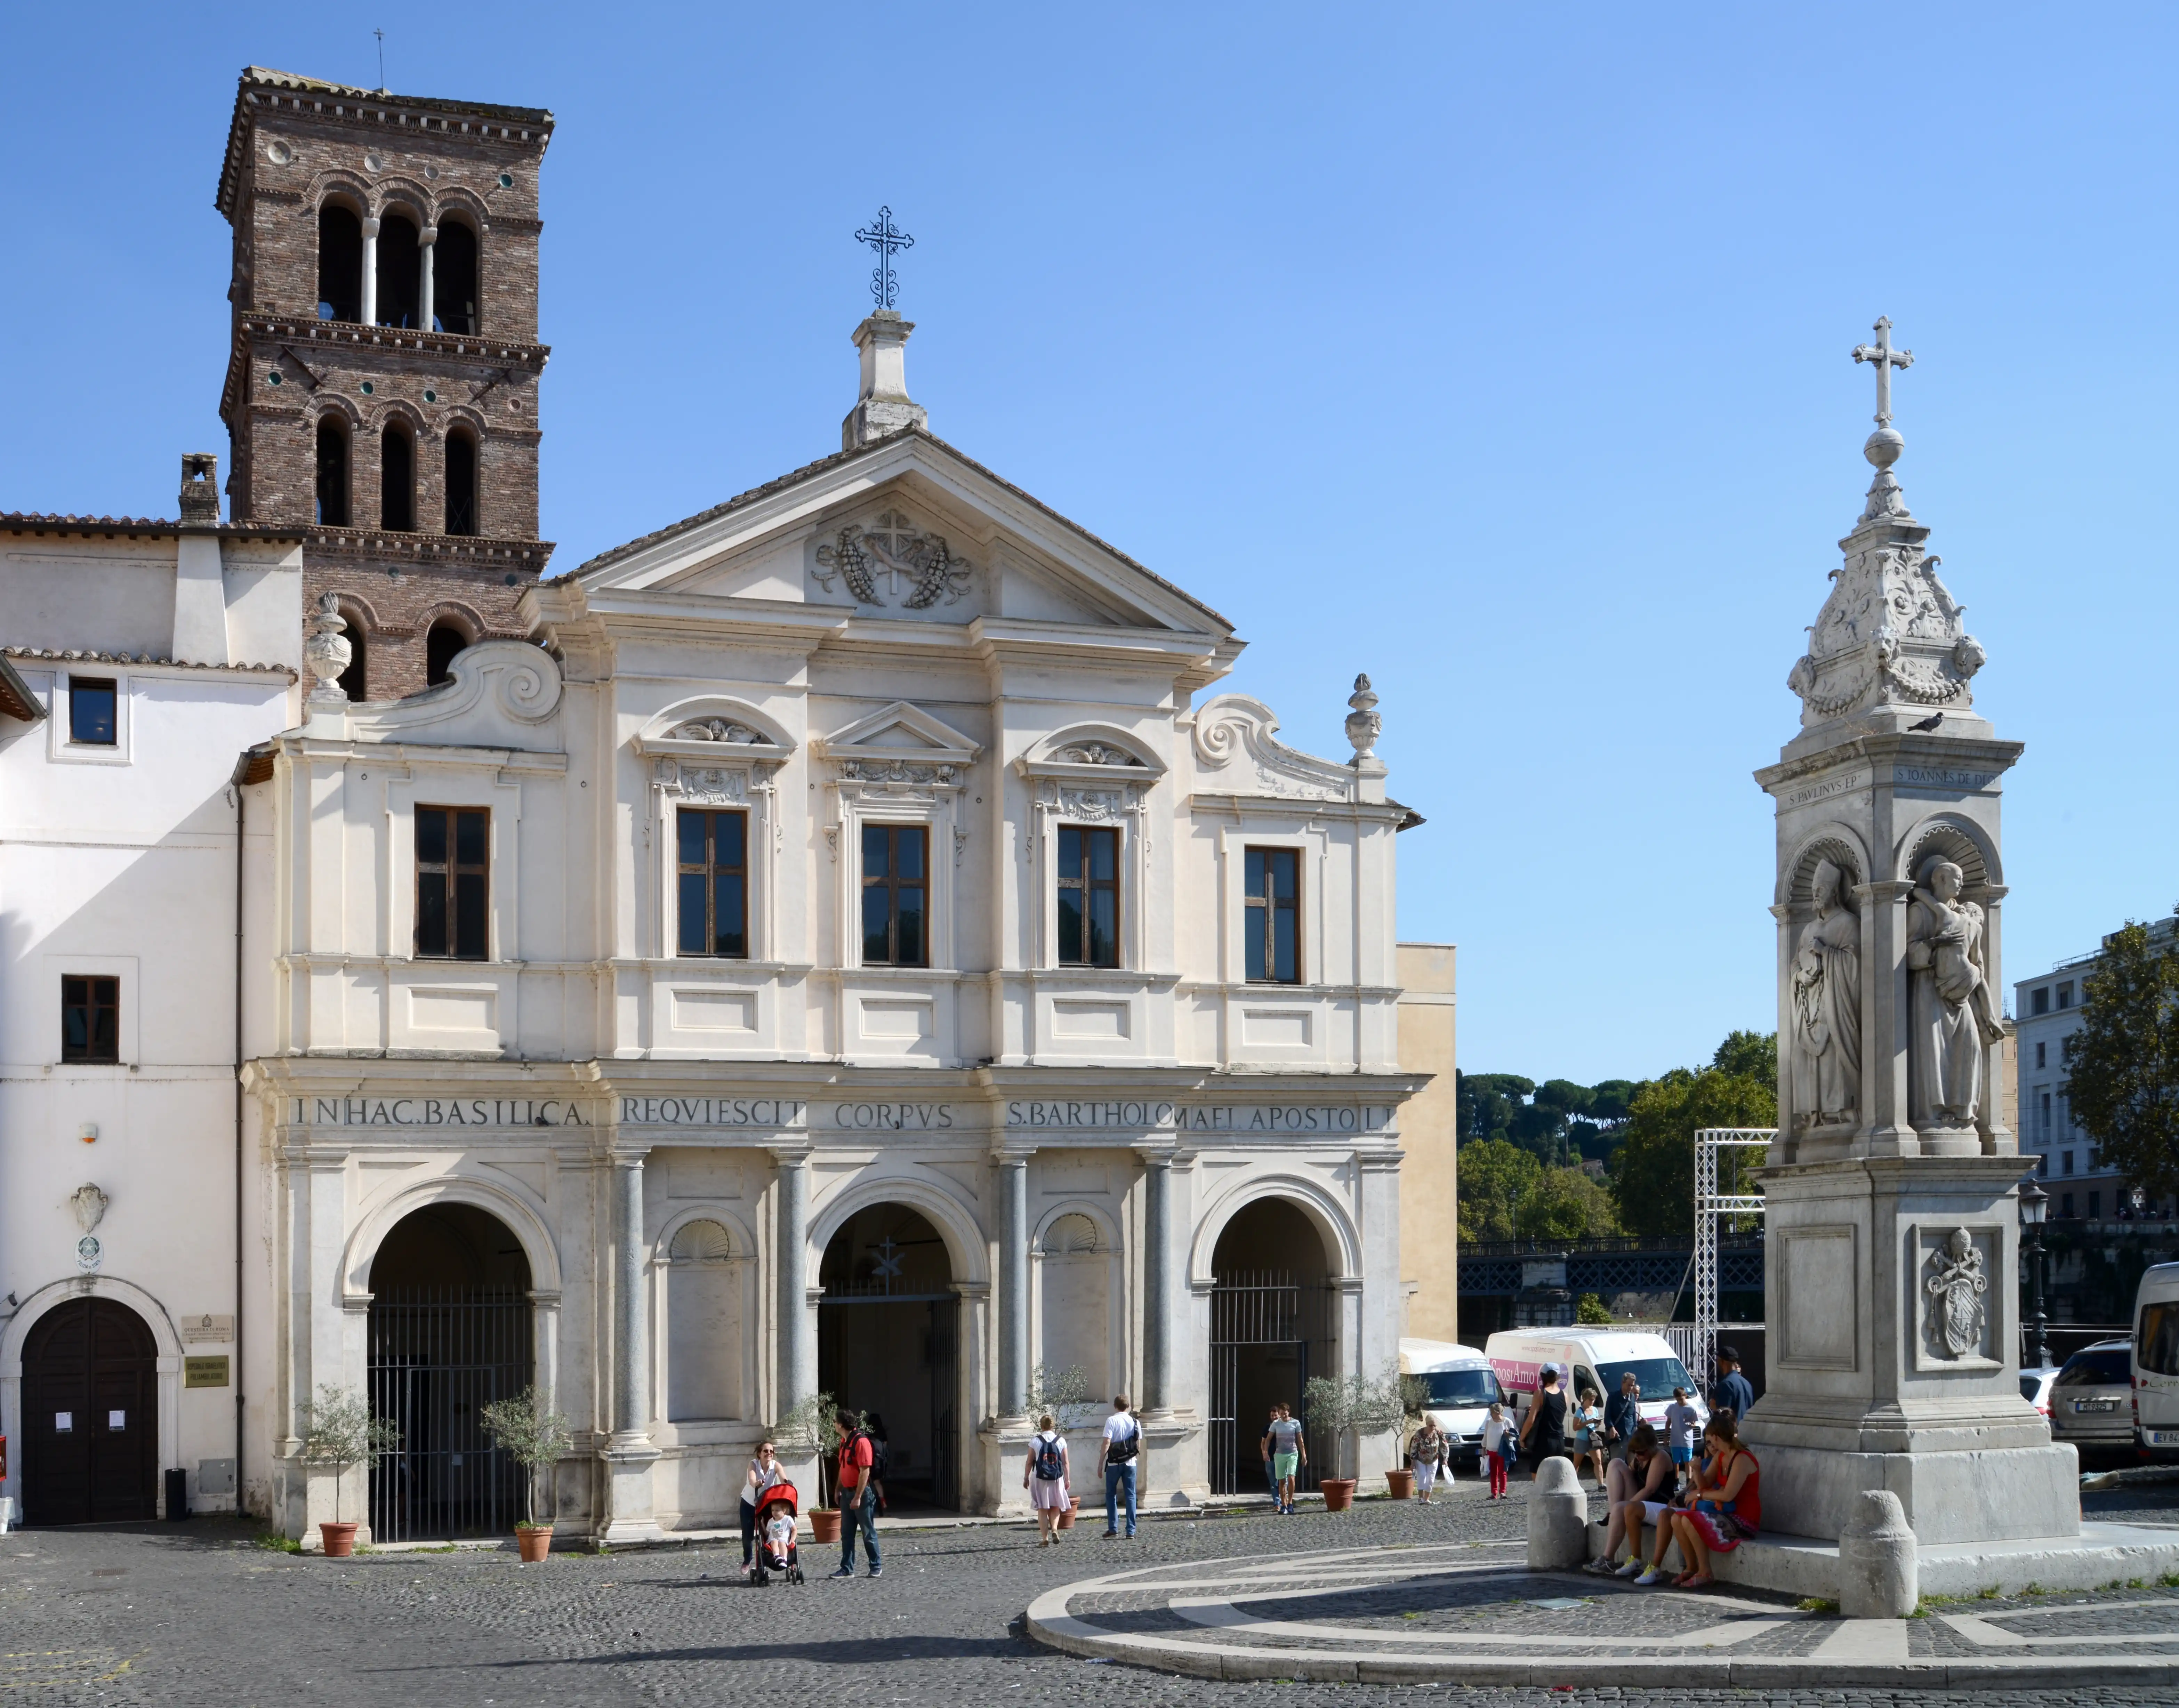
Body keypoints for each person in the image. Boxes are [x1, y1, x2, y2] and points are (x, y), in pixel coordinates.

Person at [1660, 1410, 1761, 1589]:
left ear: (1716, 1437)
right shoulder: (1720, 1456)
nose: (1709, 1442)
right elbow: (1705, 1483)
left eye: (1710, 1438)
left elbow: (1727, 1495)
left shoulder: (1741, 1458)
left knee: (1691, 1519)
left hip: (1743, 1519)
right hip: (1725, 1511)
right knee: (1677, 1519)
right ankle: (1692, 1568)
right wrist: (1697, 1470)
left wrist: (1699, 1495)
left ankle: (1706, 1572)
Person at [1587, 1423, 1672, 1577]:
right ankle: (1614, 1513)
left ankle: (1608, 1558)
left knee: (1620, 1509)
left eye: (1641, 1452)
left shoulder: (1661, 1457)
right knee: (1616, 1463)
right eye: (1634, 1452)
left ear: (1652, 1447)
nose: (1637, 1455)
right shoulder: (1640, 1459)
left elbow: (1650, 1489)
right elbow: (1627, 1474)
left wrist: (1623, 1507)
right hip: (1640, 1503)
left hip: (1657, 1504)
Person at [830, 1411, 882, 1579]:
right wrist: (838, 1489)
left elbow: (865, 1471)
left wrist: (858, 1497)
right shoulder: (844, 1442)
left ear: (841, 1424)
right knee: (847, 1533)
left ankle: (876, 1566)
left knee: (868, 1532)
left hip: (862, 1494)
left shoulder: (861, 1442)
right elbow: (843, 1468)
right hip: (846, 1493)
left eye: (834, 1422)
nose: (833, 1424)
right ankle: (847, 1569)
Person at [739, 1439, 785, 1579]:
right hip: (749, 1503)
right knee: (747, 1537)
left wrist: (787, 1483)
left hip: (765, 1505)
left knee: (766, 1534)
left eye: (771, 1451)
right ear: (760, 1454)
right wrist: (757, 1484)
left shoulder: (776, 1466)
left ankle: (768, 1558)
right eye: (766, 1451)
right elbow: (752, 1479)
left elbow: (783, 1478)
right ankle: (748, 1559)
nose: (769, 1454)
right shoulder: (753, 1464)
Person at [1023, 1412, 1072, 1546]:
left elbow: (1029, 1462)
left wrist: (1026, 1478)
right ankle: (1055, 1529)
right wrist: (1067, 1479)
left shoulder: (1035, 1441)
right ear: (1053, 1426)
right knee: (1055, 1506)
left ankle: (1045, 1539)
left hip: (1040, 1477)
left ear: (1041, 1426)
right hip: (1057, 1478)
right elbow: (1066, 1462)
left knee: (1042, 1509)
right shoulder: (1061, 1441)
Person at [1100, 1393, 1141, 1538]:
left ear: (1115, 1406)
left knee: (1111, 1495)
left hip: (1113, 1463)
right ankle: (1131, 1531)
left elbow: (1107, 1443)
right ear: (1128, 1406)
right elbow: (1138, 1445)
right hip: (1130, 1463)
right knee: (1131, 1495)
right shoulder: (1135, 1422)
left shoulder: (1111, 1421)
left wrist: (1100, 1464)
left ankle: (1113, 1528)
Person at [1521, 1364, 1569, 1479]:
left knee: (1538, 1477)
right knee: (1556, 1477)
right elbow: (1555, 1413)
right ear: (1558, 1377)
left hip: (1544, 1441)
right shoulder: (1565, 1395)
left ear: (1542, 1376)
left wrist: (1522, 1438)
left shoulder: (1540, 1394)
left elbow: (1531, 1420)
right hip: (1559, 1441)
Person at [1264, 1402, 1307, 1514]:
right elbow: (1268, 1439)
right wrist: (1265, 1452)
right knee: (1282, 1480)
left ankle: (1290, 1503)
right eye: (1282, 1414)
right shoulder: (1276, 1424)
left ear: (1289, 1412)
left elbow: (1300, 1440)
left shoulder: (1295, 1423)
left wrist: (1304, 1455)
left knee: (1291, 1477)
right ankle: (1283, 1505)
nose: (1283, 1416)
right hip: (1279, 1455)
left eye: (1285, 1414)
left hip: (1292, 1453)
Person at [1663, 1386, 1700, 1490]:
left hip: (1687, 1440)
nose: (1680, 1401)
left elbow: (1694, 1424)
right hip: (1675, 1440)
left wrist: (1691, 1425)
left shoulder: (1691, 1409)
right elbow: (1669, 1422)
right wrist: (1666, 1435)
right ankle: (1677, 1480)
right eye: (1677, 1399)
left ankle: (1689, 1481)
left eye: (1681, 1399)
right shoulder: (1672, 1407)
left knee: (1688, 1461)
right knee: (1676, 1462)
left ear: (1686, 1396)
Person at [1408, 1414, 1449, 1504]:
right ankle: (1421, 1498)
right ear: (1427, 1424)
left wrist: (1445, 1459)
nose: (1433, 1427)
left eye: (1435, 1425)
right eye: (1431, 1426)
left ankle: (1427, 1499)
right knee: (1422, 1476)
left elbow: (1445, 1446)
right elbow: (1414, 1447)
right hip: (1421, 1459)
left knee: (1431, 1479)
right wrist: (1413, 1462)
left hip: (1433, 1459)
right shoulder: (1420, 1434)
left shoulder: (1439, 1433)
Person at [1603, 1371, 1641, 1465]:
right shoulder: (1613, 1397)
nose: (1631, 1388)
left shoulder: (1632, 1397)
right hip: (1618, 1437)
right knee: (1618, 1465)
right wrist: (1612, 1428)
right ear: (1623, 1383)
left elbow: (1633, 1416)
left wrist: (1636, 1429)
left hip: (1630, 1436)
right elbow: (1607, 1417)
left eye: (1632, 1386)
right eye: (1629, 1385)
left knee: (1633, 1465)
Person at [1572, 1386, 1606, 1487]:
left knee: (1598, 1461)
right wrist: (1588, 1422)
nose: (1592, 1402)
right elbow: (1575, 1427)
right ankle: (1572, 1484)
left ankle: (1601, 1485)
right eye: (1590, 1400)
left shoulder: (1595, 1410)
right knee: (1577, 1464)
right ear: (1585, 1399)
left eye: (1594, 1400)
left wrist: (1597, 1424)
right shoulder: (1580, 1411)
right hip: (1581, 1440)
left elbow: (1594, 1426)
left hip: (1593, 1440)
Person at [1480, 1401, 1513, 1499]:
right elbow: (1485, 1436)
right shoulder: (1489, 1422)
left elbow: (1514, 1437)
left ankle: (1503, 1492)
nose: (1491, 1414)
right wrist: (1484, 1448)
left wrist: (1509, 1435)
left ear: (1498, 1413)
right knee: (1494, 1472)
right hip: (1491, 1450)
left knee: (1503, 1471)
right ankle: (1494, 1493)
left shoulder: (1507, 1422)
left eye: (1492, 1412)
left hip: (1503, 1450)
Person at [1714, 1350, 1755, 1425]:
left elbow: (1724, 1415)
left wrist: (1714, 1405)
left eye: (1717, 1360)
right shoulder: (1747, 1383)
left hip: (1732, 1432)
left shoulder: (1726, 1384)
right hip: (1746, 1430)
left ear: (1722, 1362)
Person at [864, 1411, 892, 1515]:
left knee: (867, 1481)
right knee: (878, 1482)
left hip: (869, 1460)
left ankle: (868, 1503)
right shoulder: (882, 1433)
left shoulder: (867, 1432)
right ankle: (882, 1500)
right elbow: (885, 1446)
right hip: (879, 1461)